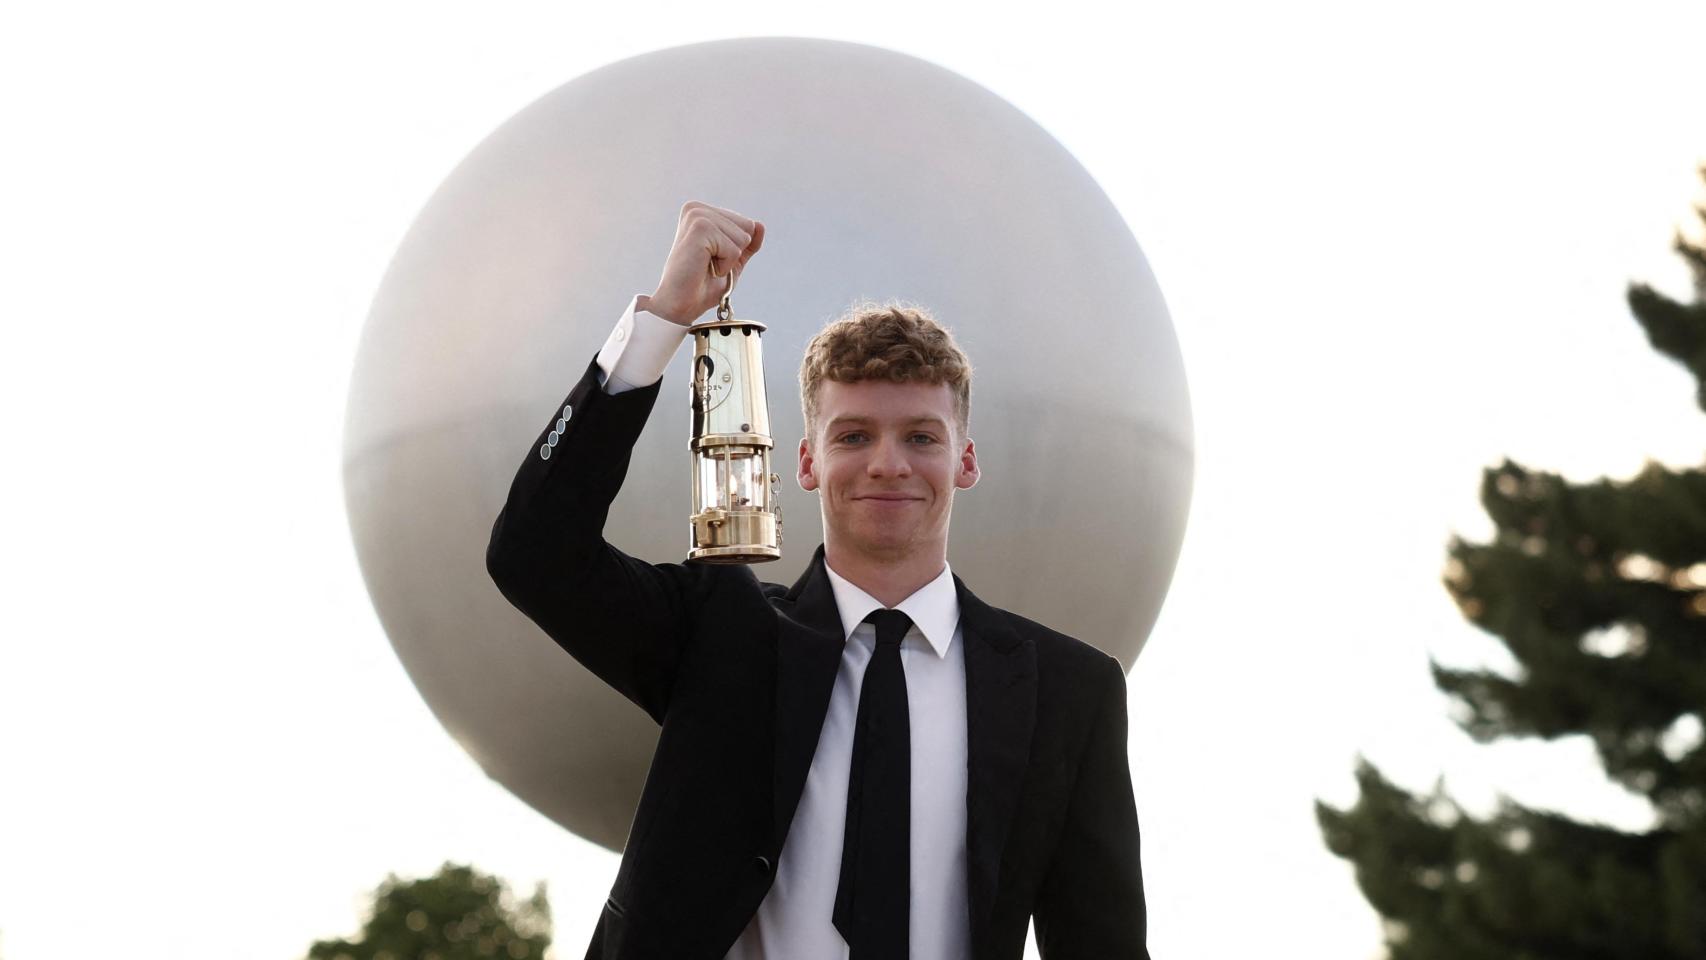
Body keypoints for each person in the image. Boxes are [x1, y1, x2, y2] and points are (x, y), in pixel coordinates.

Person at [486, 201, 1150, 959]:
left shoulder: (1069, 691)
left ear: (965, 461)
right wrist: (663, 322)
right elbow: (533, 554)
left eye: (922, 437)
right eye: (854, 435)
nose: (888, 463)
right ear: (805, 462)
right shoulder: (720, 637)